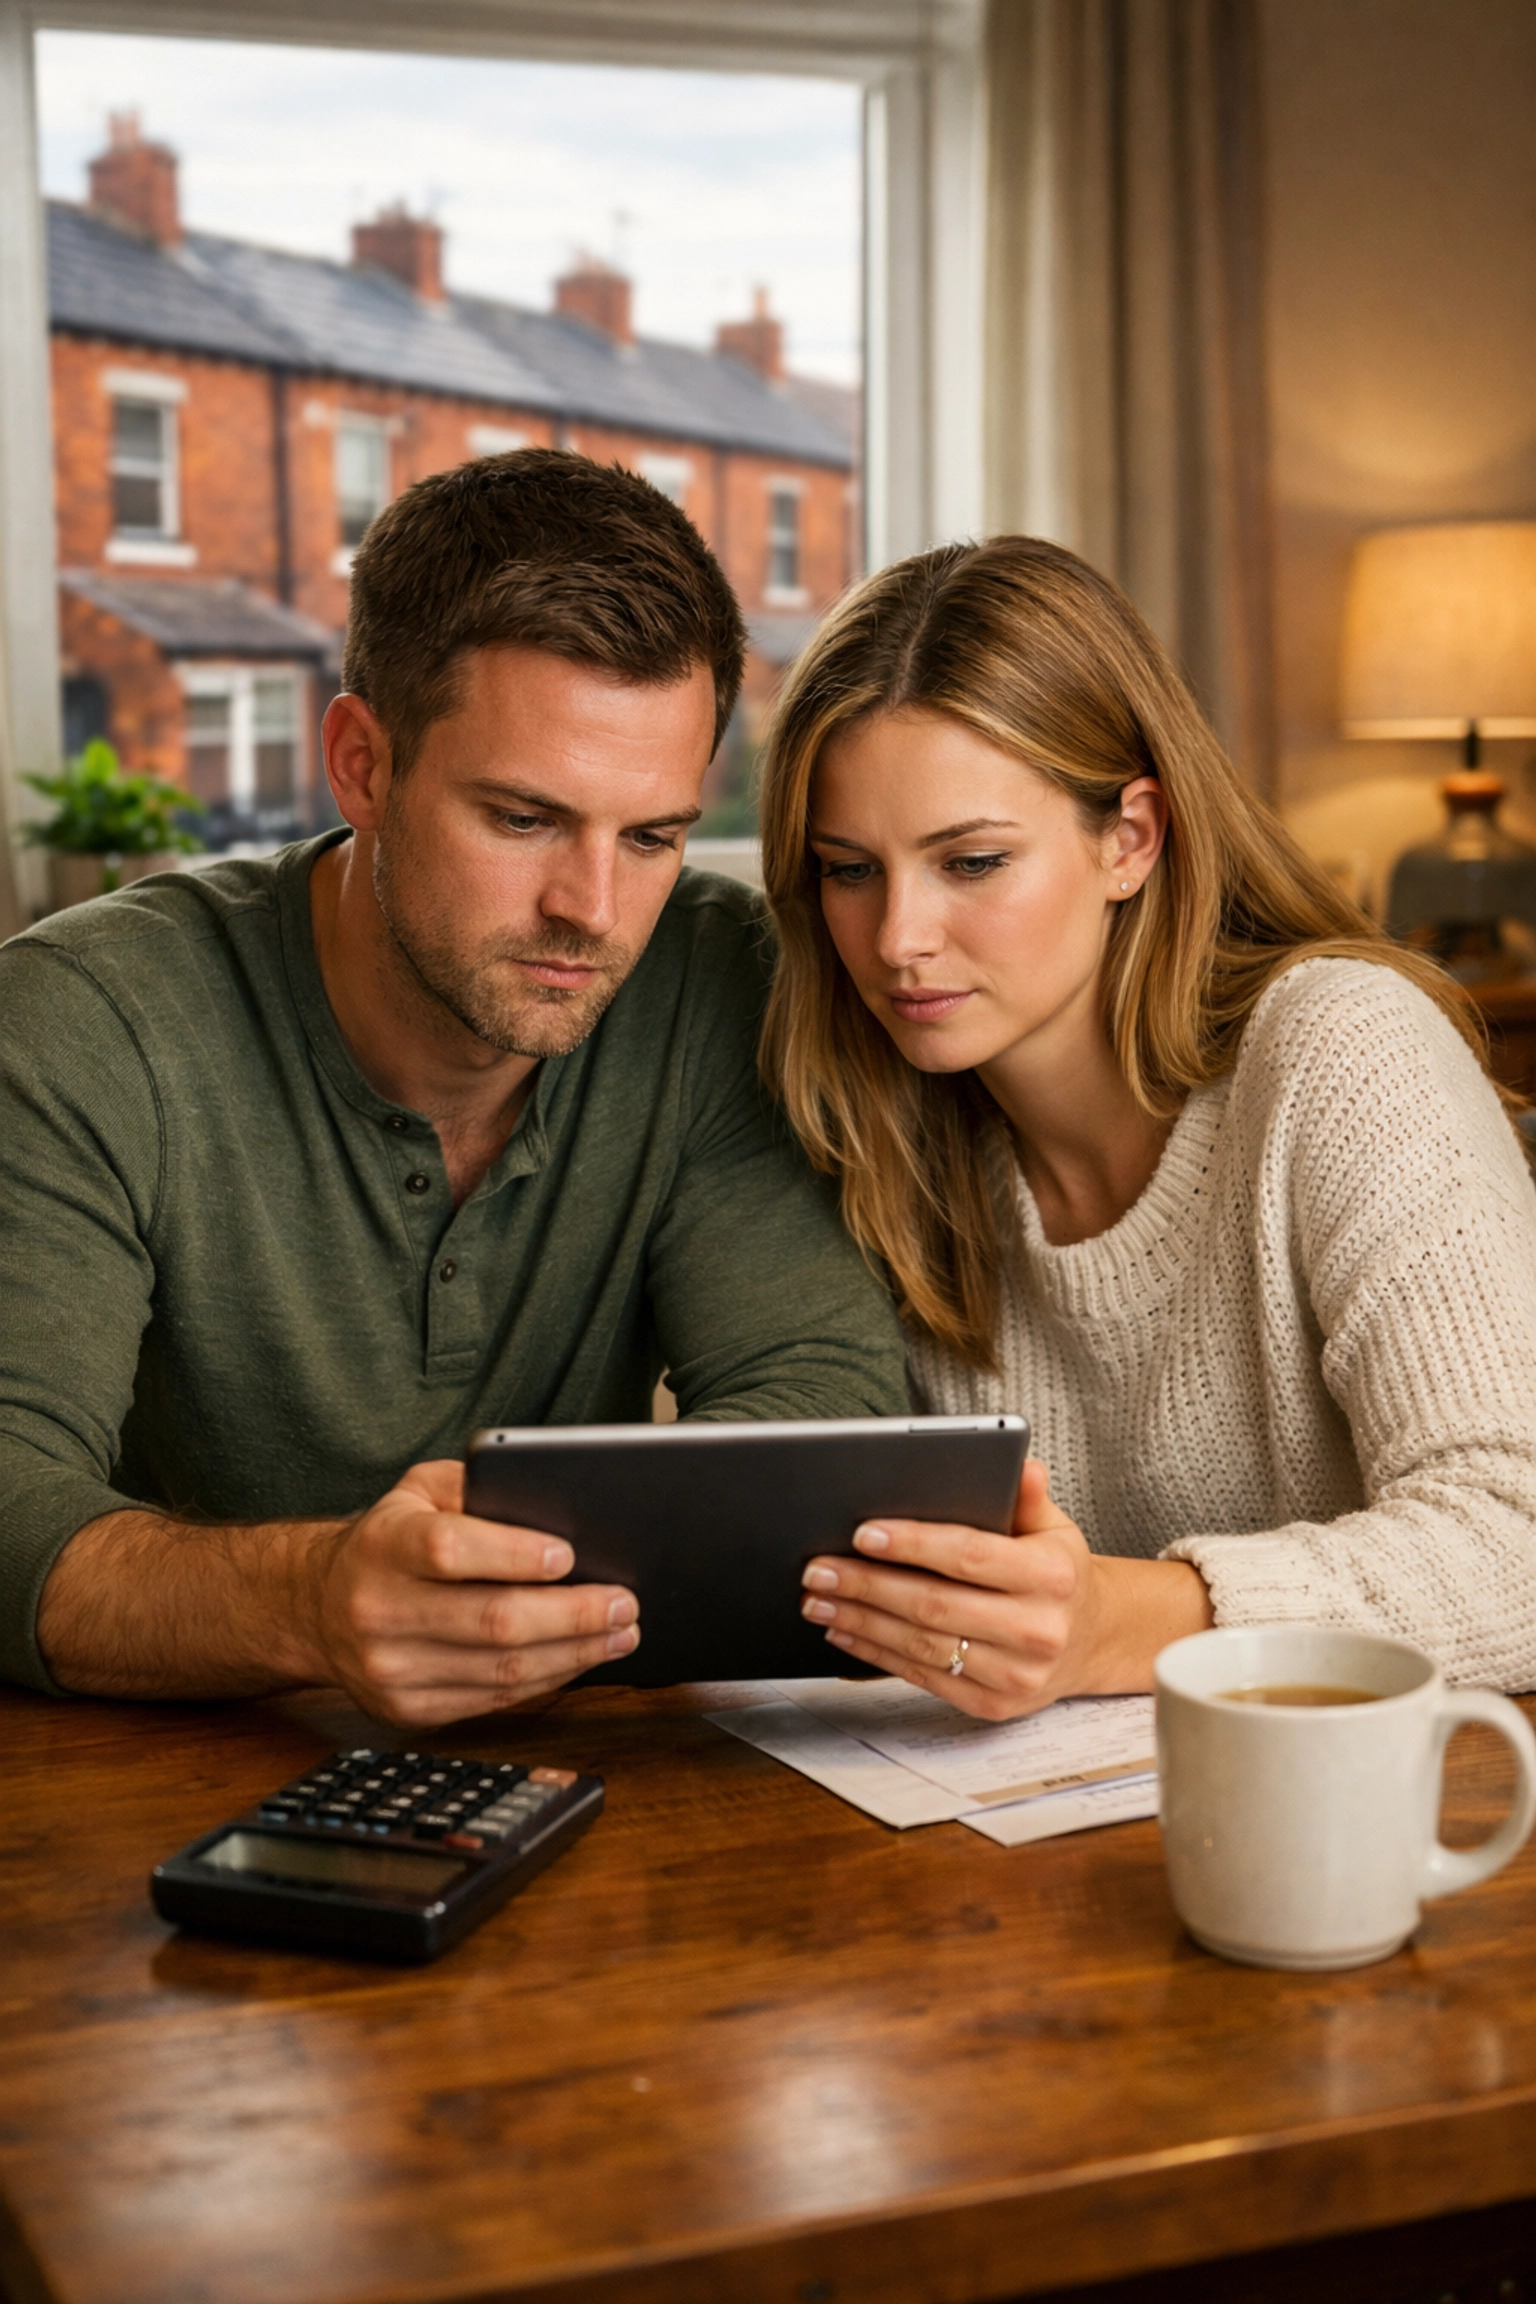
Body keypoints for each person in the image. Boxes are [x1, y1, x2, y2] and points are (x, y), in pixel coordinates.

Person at [0, 448, 905, 1720]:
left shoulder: (713, 978)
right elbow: (7, 1499)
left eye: (650, 836)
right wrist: (309, 1598)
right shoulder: (81, 1021)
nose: (592, 912)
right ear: (362, 762)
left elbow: (819, 1406)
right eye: (523, 818)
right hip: (146, 1796)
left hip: (583, 1777)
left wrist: (533, 1597)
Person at [757, 535, 1536, 1717]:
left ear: (1131, 838)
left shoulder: (1341, 1049)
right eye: (847, 870)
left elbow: (1516, 1544)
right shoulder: (880, 1130)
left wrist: (1125, 1622)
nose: (898, 937)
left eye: (971, 861)